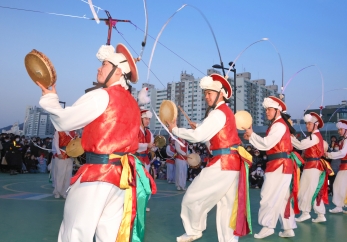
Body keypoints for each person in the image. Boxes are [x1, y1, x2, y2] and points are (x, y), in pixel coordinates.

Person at [37, 43, 155, 241]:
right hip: (122, 179)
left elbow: (64, 120)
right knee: (109, 235)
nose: (99, 68)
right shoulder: (134, 105)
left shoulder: (102, 96)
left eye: (104, 64)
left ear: (118, 73)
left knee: (74, 232)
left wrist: (50, 99)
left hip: (97, 174)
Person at [167, 74, 252, 242]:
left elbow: (199, 136)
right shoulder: (223, 113)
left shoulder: (218, 113)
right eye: (205, 93)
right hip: (231, 164)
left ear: (221, 94)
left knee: (192, 196)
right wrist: (199, 126)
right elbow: (214, 136)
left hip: (223, 164)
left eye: (210, 93)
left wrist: (176, 130)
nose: (206, 96)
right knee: (227, 208)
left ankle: (194, 231)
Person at [243, 96, 300, 239]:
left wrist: (252, 135)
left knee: (268, 195)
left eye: (269, 109)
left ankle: (268, 226)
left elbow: (267, 144)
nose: (266, 112)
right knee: (281, 198)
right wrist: (251, 137)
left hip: (279, 165)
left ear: (277, 111)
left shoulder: (279, 125)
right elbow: (267, 144)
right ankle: (288, 228)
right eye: (266, 109)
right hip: (281, 165)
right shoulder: (278, 125)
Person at [291, 112, 331, 223]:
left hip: (313, 167)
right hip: (312, 166)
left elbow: (299, 145)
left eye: (309, 124)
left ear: (315, 125)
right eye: (306, 124)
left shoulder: (314, 137)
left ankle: (306, 213)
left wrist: (289, 137)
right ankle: (320, 214)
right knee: (314, 190)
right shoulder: (314, 136)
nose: (307, 126)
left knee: (306, 189)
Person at [325, 119, 347, 215]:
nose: (339, 131)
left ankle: (344, 207)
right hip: (345, 166)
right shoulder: (344, 141)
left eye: (341, 129)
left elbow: (343, 153)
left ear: (346, 130)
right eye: (339, 130)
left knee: (341, 185)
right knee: (343, 186)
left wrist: (329, 154)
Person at [52, 131, 76, 199]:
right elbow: (55, 143)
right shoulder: (58, 132)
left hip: (70, 156)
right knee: (59, 175)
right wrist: (58, 153)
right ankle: (57, 192)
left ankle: (65, 192)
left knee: (68, 175)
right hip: (60, 155)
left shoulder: (73, 132)